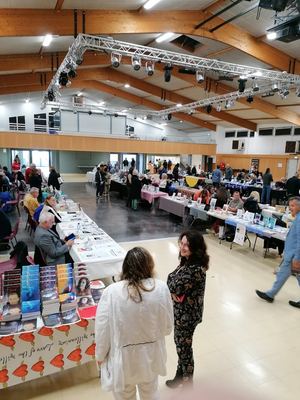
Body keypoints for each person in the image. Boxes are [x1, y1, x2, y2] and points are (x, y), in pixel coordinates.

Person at [95, 247, 173, 399]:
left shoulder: (111, 292)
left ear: (125, 266)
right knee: (150, 394)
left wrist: (100, 354)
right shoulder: (161, 288)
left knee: (124, 396)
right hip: (151, 356)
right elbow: (168, 327)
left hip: (122, 361)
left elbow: (102, 328)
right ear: (149, 265)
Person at [166, 230, 209, 388]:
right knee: (180, 345)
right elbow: (173, 282)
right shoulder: (187, 261)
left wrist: (172, 289)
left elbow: (173, 285)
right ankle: (180, 374)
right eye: (181, 243)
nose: (182, 247)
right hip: (181, 312)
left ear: (195, 247)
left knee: (184, 348)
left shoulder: (195, 269)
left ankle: (187, 383)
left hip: (187, 316)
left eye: (187, 245)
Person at [255, 196, 300, 308]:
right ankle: (270, 295)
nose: (290, 208)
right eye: (290, 206)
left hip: (293, 256)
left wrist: (297, 258)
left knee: (283, 275)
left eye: (293, 206)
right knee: (284, 275)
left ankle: (270, 295)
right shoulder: (298, 217)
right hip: (292, 255)